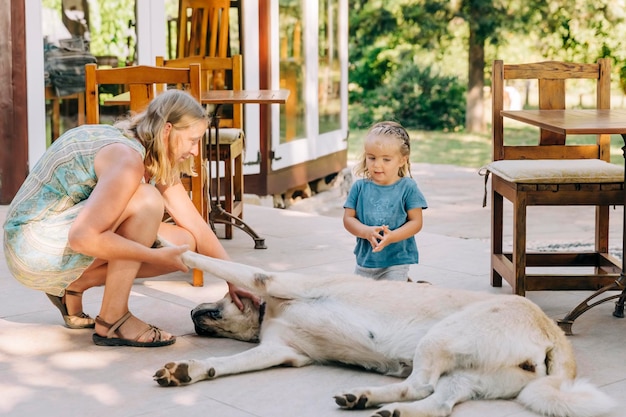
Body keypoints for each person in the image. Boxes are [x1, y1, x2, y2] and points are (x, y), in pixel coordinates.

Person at [3, 89, 259, 347]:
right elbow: (83, 238)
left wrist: (234, 279)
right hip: (31, 246)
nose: (195, 151)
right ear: (168, 131)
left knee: (185, 242)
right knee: (147, 201)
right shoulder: (127, 159)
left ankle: (73, 287)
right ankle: (113, 320)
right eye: (192, 140)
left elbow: (196, 226)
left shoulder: (148, 150)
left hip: (48, 239)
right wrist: (152, 255)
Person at [343, 121, 428, 281]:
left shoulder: (408, 187)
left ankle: (404, 284)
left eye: (386, 160)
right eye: (372, 158)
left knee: (392, 299)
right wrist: (365, 231)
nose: (377, 165)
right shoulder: (359, 187)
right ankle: (412, 286)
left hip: (397, 259)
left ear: (402, 160)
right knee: (363, 299)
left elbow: (416, 222)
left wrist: (393, 236)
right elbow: (348, 219)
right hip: (366, 260)